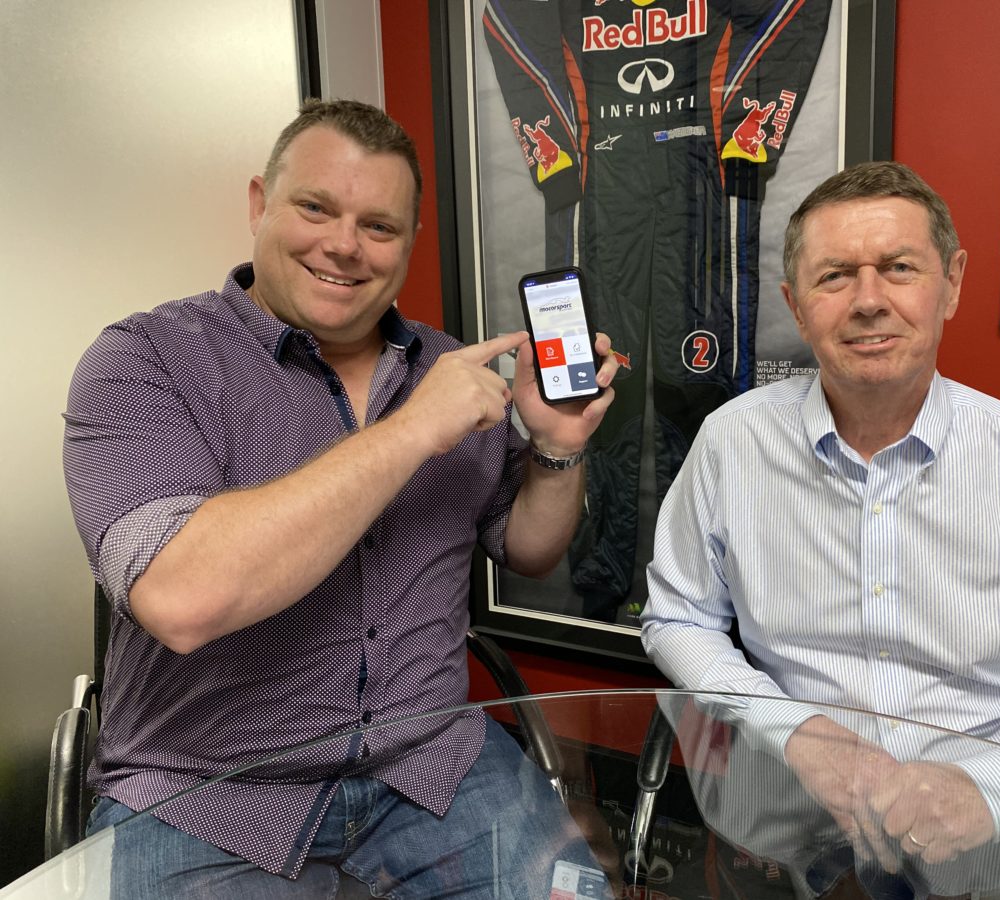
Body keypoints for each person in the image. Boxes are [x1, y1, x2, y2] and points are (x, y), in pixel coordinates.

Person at [62, 98, 619, 898]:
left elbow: (528, 549)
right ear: (260, 203)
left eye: (378, 226)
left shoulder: (451, 368)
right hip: (208, 791)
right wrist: (410, 431)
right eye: (316, 208)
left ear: (410, 240)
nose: (345, 245)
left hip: (432, 764)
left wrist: (557, 449)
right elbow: (182, 599)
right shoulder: (143, 360)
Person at [640, 161, 1000, 890]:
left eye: (899, 268)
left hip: (998, 857)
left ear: (953, 284)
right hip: (785, 839)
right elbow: (677, 617)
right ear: (796, 306)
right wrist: (794, 730)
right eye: (835, 276)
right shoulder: (730, 445)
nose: (869, 301)